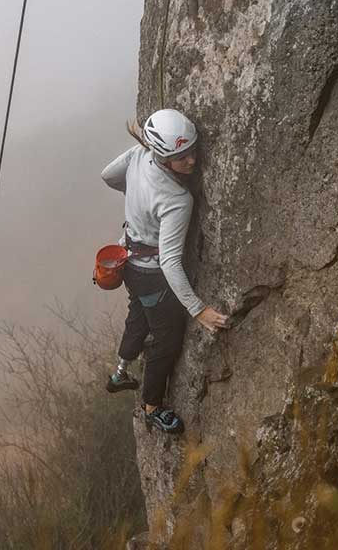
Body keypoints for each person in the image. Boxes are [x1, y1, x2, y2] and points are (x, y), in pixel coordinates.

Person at [100, 108, 230, 434]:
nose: (192, 160)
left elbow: (108, 176)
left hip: (127, 258)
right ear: (163, 155)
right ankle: (152, 405)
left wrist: (137, 198)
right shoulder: (176, 198)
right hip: (151, 274)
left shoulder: (137, 156)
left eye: (193, 150)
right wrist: (198, 310)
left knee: (139, 314)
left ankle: (119, 371)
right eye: (182, 156)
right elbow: (171, 261)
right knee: (167, 339)